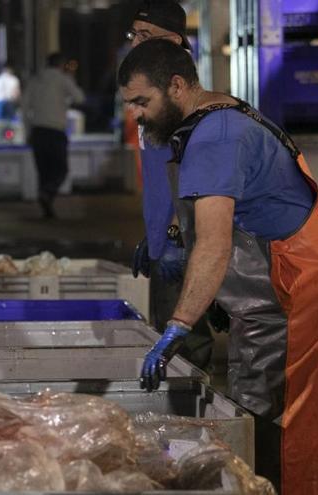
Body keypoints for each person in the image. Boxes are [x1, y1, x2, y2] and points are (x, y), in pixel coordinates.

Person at [119, 39, 318, 495]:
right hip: (273, 275)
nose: (136, 116)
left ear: (178, 86)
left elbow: (215, 245)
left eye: (142, 102)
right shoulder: (213, 113)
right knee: (253, 401)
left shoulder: (215, 138)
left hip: (296, 282)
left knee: (284, 420)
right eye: (129, 105)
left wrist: (179, 326)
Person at [126, 0, 216, 369]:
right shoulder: (153, 94)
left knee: (184, 346)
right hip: (166, 237)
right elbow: (160, 175)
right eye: (134, 34)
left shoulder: (180, 99)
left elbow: (193, 174)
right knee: (171, 338)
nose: (136, 43)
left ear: (174, 40)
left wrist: (177, 232)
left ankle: (195, 420)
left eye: (146, 35)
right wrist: (154, 232)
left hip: (181, 241)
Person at [23, 52, 85, 219]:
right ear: (61, 64)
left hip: (38, 131)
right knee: (60, 169)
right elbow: (79, 97)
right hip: (56, 130)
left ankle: (46, 205)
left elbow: (24, 107)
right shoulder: (63, 79)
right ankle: (48, 194)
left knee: (43, 171)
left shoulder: (35, 80)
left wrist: (27, 131)